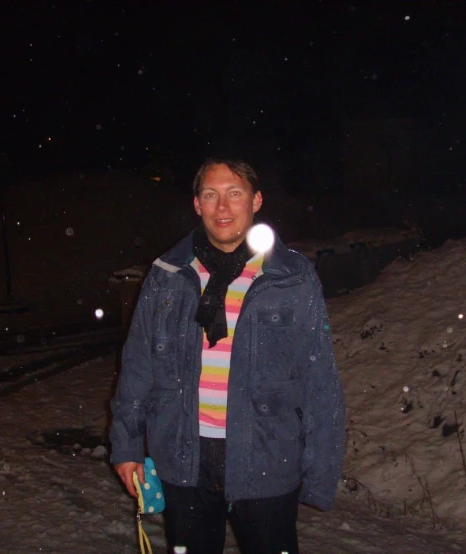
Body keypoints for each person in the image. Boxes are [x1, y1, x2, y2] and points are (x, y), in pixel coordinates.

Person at [110, 158, 345, 554]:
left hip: (266, 460)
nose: (222, 207)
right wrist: (127, 446)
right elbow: (137, 368)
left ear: (256, 201)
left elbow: (319, 380)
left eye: (234, 194)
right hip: (184, 460)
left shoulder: (292, 279)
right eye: (211, 195)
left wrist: (320, 472)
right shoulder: (167, 275)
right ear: (197, 204)